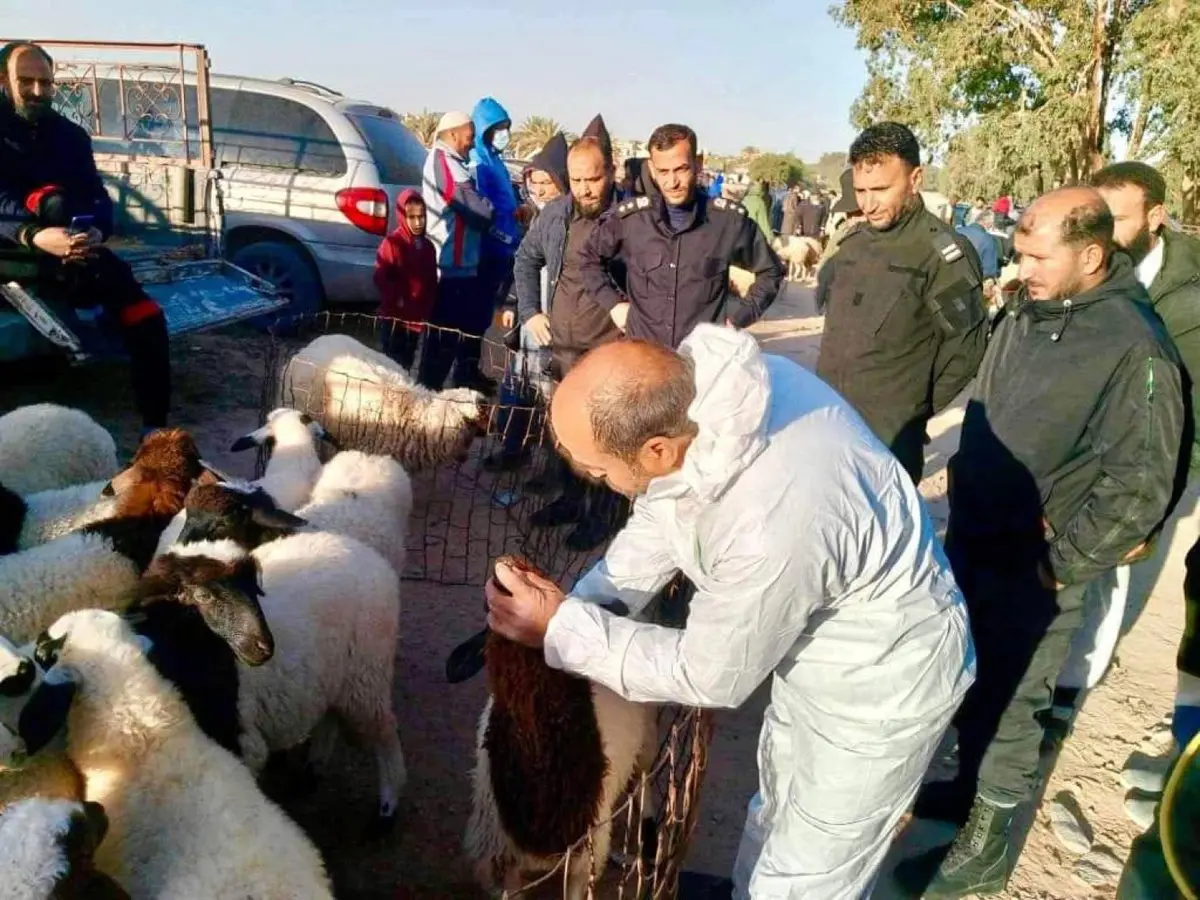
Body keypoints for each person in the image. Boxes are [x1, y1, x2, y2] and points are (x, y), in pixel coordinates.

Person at [483, 325, 975, 899]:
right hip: (824, 644)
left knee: (813, 867)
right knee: (778, 803)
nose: (595, 481)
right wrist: (585, 603)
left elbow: (709, 671)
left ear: (656, 449)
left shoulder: (772, 519)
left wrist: (565, 628)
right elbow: (664, 510)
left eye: (595, 472)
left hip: (880, 685)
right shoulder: (717, 405)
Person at [899, 187, 1189, 898]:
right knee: (975, 679)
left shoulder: (1132, 344)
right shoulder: (1032, 309)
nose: (1021, 266)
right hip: (977, 539)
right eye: (1020, 252)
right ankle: (967, 791)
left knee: (1015, 703)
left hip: (1038, 566)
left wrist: (1058, 567)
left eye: (1037, 255)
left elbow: (1141, 485)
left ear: (1091, 254)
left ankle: (987, 850)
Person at [0, 40, 171, 433]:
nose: (38, 91)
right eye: (26, 81)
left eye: (45, 82)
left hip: (73, 252)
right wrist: (33, 235)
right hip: (12, 251)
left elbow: (97, 196)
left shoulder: (70, 136)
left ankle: (155, 430)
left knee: (145, 314)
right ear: (3, 81)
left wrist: (96, 228)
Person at [815, 122, 987, 483]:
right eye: (861, 190)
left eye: (881, 189)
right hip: (827, 420)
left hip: (889, 439)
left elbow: (966, 349)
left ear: (916, 178)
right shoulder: (854, 243)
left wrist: (913, 409)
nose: (868, 203)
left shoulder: (942, 254)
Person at [511, 132, 627, 550]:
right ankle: (569, 500)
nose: (584, 189)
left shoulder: (631, 218)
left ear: (609, 173)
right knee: (564, 430)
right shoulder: (556, 214)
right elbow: (526, 259)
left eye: (593, 180)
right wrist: (530, 311)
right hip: (562, 347)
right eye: (576, 180)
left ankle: (603, 515)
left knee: (604, 436)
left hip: (608, 351)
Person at [578, 123, 783, 350]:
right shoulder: (631, 219)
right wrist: (614, 305)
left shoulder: (727, 222)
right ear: (652, 169)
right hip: (645, 358)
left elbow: (771, 271)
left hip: (703, 362)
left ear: (698, 163)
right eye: (663, 172)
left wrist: (737, 319)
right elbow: (589, 260)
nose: (672, 182)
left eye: (681, 169)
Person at [419, 110, 495, 392]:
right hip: (450, 266)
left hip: (460, 264)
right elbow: (474, 207)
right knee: (441, 341)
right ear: (452, 134)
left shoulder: (452, 161)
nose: (472, 143)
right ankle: (428, 398)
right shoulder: (444, 161)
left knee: (450, 339)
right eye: (469, 136)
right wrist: (493, 210)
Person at [372, 189, 437, 371]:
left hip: (416, 320)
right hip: (395, 319)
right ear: (402, 216)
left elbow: (431, 281)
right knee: (392, 364)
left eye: (421, 217)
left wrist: (428, 307)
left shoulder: (428, 247)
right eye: (412, 217)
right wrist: (397, 300)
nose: (418, 223)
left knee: (408, 361)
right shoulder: (393, 244)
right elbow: (381, 277)